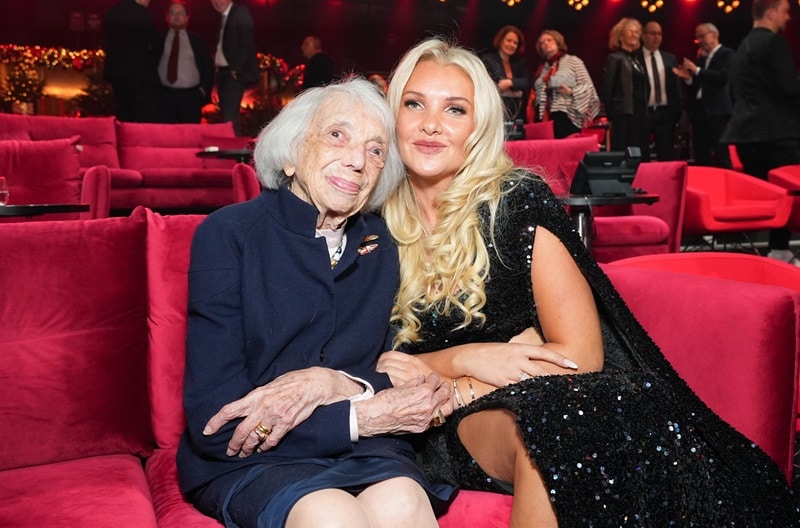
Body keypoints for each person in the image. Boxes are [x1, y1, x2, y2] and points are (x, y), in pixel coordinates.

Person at [378, 37, 800, 527]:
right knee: (553, 420)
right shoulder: (366, 221)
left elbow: (581, 354)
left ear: (478, 128)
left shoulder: (515, 202)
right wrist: (468, 358)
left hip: (538, 396)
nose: (431, 124)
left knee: (591, 410)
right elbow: (364, 364)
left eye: (455, 109)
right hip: (432, 423)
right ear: (394, 116)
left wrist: (464, 382)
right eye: (415, 104)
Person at [177, 77, 456, 528]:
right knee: (332, 515)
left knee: (404, 501)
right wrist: (358, 417)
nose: (357, 161)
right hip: (255, 462)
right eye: (336, 135)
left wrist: (333, 383)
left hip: (366, 454)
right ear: (289, 154)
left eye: (376, 150)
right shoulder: (228, 235)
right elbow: (219, 424)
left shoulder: (380, 242)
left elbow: (394, 373)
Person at [721, 0, 800, 265]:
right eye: (786, 11)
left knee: (768, 198)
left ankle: (769, 255)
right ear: (772, 11)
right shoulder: (774, 43)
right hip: (777, 134)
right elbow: (789, 89)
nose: (788, 17)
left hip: (746, 135)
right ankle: (779, 251)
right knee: (788, 194)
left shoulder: (741, 47)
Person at [672, 23, 734, 168]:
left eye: (702, 36)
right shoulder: (701, 59)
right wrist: (687, 78)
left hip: (717, 111)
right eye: (697, 37)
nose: (699, 40)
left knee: (721, 153)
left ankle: (726, 184)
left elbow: (722, 77)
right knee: (700, 154)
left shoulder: (727, 54)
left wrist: (697, 70)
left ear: (714, 35)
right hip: (699, 112)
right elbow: (698, 86)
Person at [532, 29, 599, 139]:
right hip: (546, 117)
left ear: (558, 41)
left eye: (549, 40)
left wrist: (571, 92)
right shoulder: (542, 68)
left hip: (567, 114)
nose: (545, 44)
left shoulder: (573, 61)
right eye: (542, 43)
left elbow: (588, 86)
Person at [103, 0, 161, 122]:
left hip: (116, 71)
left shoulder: (112, 11)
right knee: (143, 112)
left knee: (123, 109)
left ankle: (123, 137)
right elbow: (155, 43)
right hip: (140, 73)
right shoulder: (142, 14)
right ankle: (137, 139)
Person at [157, 1, 214, 124]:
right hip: (163, 97)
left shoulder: (198, 42)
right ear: (166, 17)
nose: (176, 16)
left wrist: (202, 91)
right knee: (164, 136)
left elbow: (208, 68)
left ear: (187, 17)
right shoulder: (157, 39)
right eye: (173, 13)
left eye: (180, 13)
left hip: (190, 98)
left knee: (189, 137)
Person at [602, 18, 650, 159]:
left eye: (637, 32)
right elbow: (608, 87)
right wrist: (611, 113)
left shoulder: (636, 60)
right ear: (621, 35)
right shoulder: (615, 58)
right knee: (625, 150)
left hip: (639, 112)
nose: (635, 35)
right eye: (631, 31)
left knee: (641, 150)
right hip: (624, 113)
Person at [210, 0, 259, 136]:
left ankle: (234, 151)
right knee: (226, 114)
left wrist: (236, 69)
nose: (217, 2)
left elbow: (246, 43)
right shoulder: (222, 18)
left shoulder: (240, 12)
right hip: (222, 73)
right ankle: (231, 148)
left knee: (229, 117)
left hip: (232, 73)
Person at [637, 21, 682, 161]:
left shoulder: (670, 58)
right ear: (643, 36)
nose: (656, 37)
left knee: (666, 155)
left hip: (665, 113)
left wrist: (677, 112)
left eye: (659, 34)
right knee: (641, 155)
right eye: (652, 33)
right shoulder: (635, 58)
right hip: (643, 113)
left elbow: (676, 86)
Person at [481, 26, 530, 124]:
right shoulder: (488, 59)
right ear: (501, 41)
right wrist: (516, 89)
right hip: (495, 111)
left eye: (515, 42)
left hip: (517, 112)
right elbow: (496, 83)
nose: (512, 44)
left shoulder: (519, 62)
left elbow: (526, 82)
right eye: (509, 40)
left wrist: (510, 82)